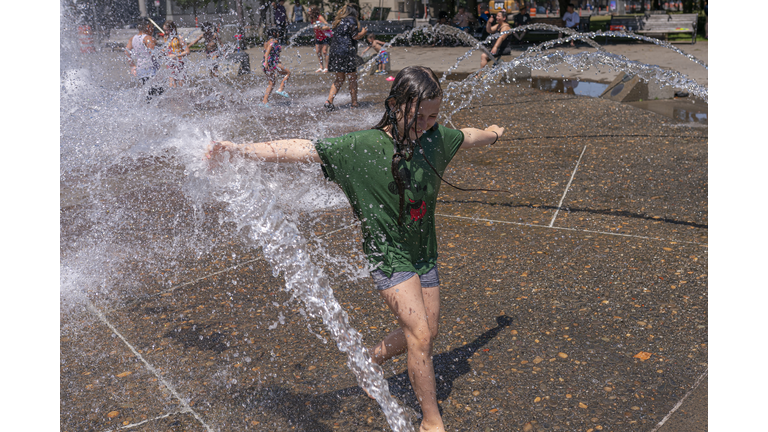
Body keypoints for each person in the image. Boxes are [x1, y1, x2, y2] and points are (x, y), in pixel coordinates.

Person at [206, 66, 505, 432]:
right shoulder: (361, 146)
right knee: (421, 336)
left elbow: (468, 136)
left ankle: (370, 358)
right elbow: (304, 149)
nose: (426, 124)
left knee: (430, 330)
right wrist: (238, 149)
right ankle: (431, 421)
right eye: (418, 115)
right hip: (388, 255)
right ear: (395, 106)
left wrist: (492, 133)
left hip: (424, 252)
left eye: (433, 116)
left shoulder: (436, 138)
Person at [324, 3, 367, 111]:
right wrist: (363, 33)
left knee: (339, 79)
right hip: (346, 52)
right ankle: (354, 102)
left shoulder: (338, 21)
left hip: (334, 52)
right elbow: (355, 36)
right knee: (352, 78)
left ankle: (329, 101)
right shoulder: (352, 20)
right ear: (355, 12)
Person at [125, 18, 163, 101]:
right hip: (151, 70)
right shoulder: (149, 39)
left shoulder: (132, 38)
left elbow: (127, 52)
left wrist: (132, 66)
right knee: (158, 94)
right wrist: (163, 52)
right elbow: (153, 54)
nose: (153, 30)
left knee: (148, 94)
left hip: (140, 70)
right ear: (148, 27)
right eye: (152, 27)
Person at [261, 27, 291, 106]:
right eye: (277, 32)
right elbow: (267, 52)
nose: (278, 34)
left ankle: (265, 101)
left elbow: (268, 53)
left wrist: (266, 62)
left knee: (271, 83)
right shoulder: (274, 41)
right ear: (274, 33)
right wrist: (268, 62)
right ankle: (281, 89)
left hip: (266, 63)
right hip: (272, 63)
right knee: (288, 73)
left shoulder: (266, 42)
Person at [162, 21, 190, 87]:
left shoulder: (179, 38)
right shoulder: (166, 38)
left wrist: (175, 55)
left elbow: (187, 51)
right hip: (170, 63)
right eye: (165, 30)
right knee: (171, 84)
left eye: (167, 30)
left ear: (173, 28)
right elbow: (166, 49)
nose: (166, 32)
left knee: (181, 85)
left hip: (179, 63)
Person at [310, 6, 332, 72]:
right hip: (318, 38)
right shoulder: (312, 19)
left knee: (324, 51)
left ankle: (326, 67)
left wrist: (320, 27)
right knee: (318, 52)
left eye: (309, 11)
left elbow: (328, 26)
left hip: (324, 36)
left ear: (313, 11)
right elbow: (314, 30)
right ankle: (321, 67)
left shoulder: (320, 17)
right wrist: (315, 37)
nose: (308, 12)